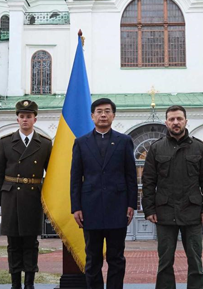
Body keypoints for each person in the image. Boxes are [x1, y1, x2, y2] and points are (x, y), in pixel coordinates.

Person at [142, 105, 203, 289]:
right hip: (165, 212)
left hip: (192, 212)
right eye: (172, 119)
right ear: (166, 122)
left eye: (179, 119)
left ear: (185, 121)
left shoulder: (199, 147)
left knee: (195, 261)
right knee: (165, 262)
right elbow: (148, 182)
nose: (176, 123)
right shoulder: (156, 148)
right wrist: (149, 209)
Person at [70, 98, 138, 289]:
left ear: (113, 115)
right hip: (90, 209)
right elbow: (75, 178)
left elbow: (131, 176)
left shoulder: (124, 141)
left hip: (118, 208)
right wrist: (76, 207)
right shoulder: (81, 143)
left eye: (107, 111)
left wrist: (131, 204)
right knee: (93, 258)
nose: (103, 115)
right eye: (99, 111)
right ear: (92, 116)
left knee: (116, 258)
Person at [0, 99, 53, 289]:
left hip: (33, 197)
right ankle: (15, 284)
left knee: (31, 243)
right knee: (13, 244)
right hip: (10, 197)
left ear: (35, 119)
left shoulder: (44, 144)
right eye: (22, 116)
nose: (25, 119)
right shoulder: (5, 142)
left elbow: (50, 174)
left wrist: (49, 202)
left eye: (29, 116)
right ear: (17, 119)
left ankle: (29, 283)